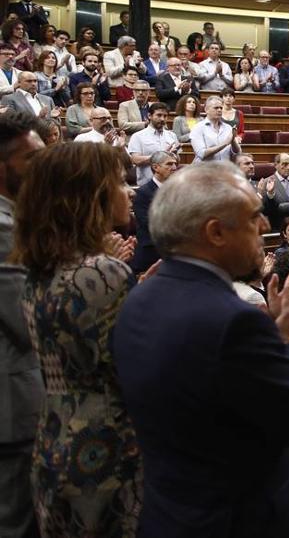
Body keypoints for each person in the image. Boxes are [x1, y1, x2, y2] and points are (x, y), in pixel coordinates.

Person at [112, 162, 289, 538]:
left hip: (168, 515)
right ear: (215, 232)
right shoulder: (235, 322)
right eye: (253, 218)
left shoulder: (137, 296)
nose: (265, 227)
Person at [17, 143, 140, 537]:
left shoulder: (41, 269)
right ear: (91, 196)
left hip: (54, 440)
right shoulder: (103, 274)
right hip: (109, 453)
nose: (130, 191)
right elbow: (135, 372)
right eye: (120, 182)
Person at [0, 114, 43, 538]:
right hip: (11, 408)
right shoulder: (3, 225)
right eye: (32, 161)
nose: (41, 172)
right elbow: (27, 319)